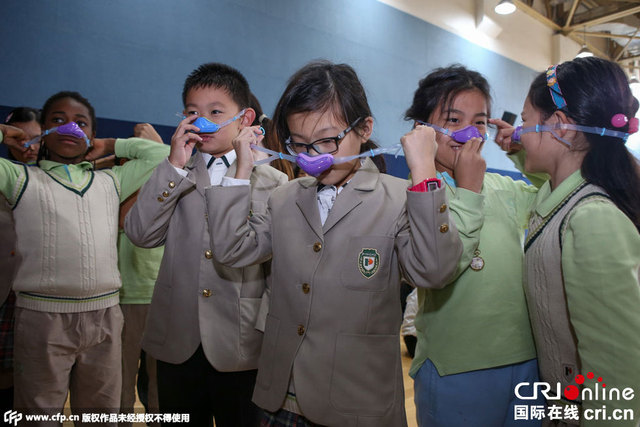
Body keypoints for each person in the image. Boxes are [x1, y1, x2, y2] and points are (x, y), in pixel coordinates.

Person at [205, 60, 462, 426]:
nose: (313, 156)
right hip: (279, 398)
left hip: (357, 403)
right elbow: (231, 249)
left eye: (327, 140)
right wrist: (240, 170)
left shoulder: (400, 198)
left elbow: (434, 270)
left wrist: (424, 173)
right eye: (300, 144)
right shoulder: (284, 197)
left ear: (364, 128)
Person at [124, 62, 288, 427]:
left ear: (245, 119)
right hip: (176, 337)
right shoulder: (173, 173)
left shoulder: (271, 182)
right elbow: (140, 233)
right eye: (193, 113)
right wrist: (174, 165)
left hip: (241, 342)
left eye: (216, 112)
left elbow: (272, 267)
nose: (203, 121)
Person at [0, 91, 169, 421]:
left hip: (105, 316)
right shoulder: (21, 179)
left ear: (90, 135)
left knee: (101, 412)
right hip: (41, 318)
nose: (69, 128)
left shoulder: (110, 180)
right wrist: (6, 133)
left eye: (81, 123)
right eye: (57, 121)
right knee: (38, 412)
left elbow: (162, 156)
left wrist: (110, 145)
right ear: (43, 132)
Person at [496, 56, 640, 426]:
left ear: (559, 126)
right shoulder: (568, 199)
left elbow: (617, 370)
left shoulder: (592, 218)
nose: (518, 133)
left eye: (526, 122)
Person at [404, 65, 545, 426]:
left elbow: (556, 190)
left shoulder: (503, 188)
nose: (468, 131)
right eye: (453, 119)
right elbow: (440, 266)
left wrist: (521, 151)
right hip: (455, 371)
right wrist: (467, 190)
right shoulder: (419, 194)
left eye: (479, 121)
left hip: (526, 363)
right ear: (422, 128)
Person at [117, 123, 164, 427]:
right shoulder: (116, 186)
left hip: (161, 294)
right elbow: (126, 220)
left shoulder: (167, 181)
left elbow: (169, 157)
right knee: (119, 381)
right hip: (126, 295)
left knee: (162, 385)